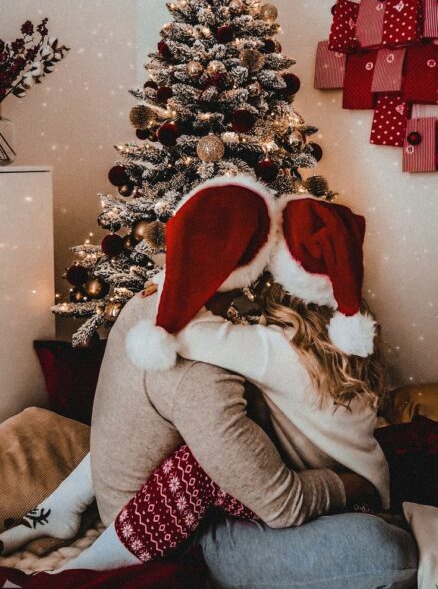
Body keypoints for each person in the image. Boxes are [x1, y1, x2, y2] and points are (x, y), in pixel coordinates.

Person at [0, 177, 418, 588]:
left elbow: (189, 333)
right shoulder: (353, 340)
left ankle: (82, 567)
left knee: (196, 462)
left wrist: (174, 284)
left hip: (329, 498)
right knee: (209, 428)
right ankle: (62, 509)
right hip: (366, 485)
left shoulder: (276, 350)